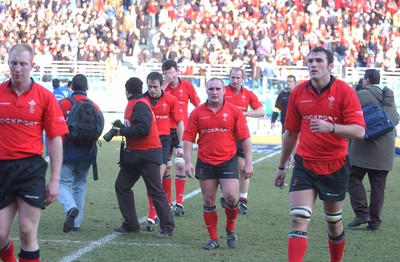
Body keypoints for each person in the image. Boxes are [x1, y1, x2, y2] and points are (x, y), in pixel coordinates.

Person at [273, 46, 366, 262]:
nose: (313, 65)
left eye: (318, 61)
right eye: (310, 61)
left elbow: (359, 131)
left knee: (333, 222)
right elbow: (291, 133)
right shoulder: (298, 92)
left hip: (335, 165)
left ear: (331, 66)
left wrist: (332, 127)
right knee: (299, 219)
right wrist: (281, 166)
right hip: (304, 164)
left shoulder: (344, 91)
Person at [0, 43, 68, 262]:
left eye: (23, 63)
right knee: (0, 234)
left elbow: (56, 139)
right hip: (2, 169)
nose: (18, 68)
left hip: (30, 169)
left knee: (27, 232)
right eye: (13, 63)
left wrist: (55, 181)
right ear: (8, 64)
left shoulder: (45, 97)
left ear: (32, 65)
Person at [183, 78, 254, 250]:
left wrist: (249, 163)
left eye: (218, 89)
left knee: (231, 196)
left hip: (228, 160)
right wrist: (188, 162)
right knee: (208, 200)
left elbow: (245, 138)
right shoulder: (197, 112)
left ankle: (230, 228)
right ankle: (213, 238)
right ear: (206, 91)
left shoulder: (234, 111)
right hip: (205, 161)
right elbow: (187, 138)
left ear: (224, 91)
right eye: (211, 89)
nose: (214, 92)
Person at [113, 77, 175, 238]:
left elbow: (144, 129)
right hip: (135, 153)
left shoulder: (139, 104)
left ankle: (167, 227)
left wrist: (123, 131)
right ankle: (131, 224)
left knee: (155, 190)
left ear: (127, 90)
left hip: (147, 153)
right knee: (122, 185)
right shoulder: (137, 102)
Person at [347, 69, 399, 231]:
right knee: (378, 187)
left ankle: (362, 212)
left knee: (352, 177)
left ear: (366, 80)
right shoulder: (388, 96)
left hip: (364, 147)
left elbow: (347, 114)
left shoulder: (361, 95)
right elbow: (395, 119)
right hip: (385, 150)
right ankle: (374, 223)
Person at [57, 74, 104, 233]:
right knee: (79, 186)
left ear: (71, 87)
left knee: (61, 183)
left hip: (68, 150)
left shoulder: (64, 103)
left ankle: (70, 208)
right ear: (87, 87)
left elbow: (55, 125)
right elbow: (100, 127)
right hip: (87, 152)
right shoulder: (95, 106)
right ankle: (76, 223)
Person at [220, 67, 265, 214]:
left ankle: (243, 200)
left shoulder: (248, 94)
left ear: (243, 79)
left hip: (240, 135)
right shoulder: (222, 90)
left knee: (243, 167)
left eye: (238, 78)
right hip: (223, 135)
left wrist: (245, 113)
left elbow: (261, 111)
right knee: (223, 165)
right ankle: (224, 193)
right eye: (232, 77)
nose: (235, 80)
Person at [143, 72, 184, 231]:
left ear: (161, 85)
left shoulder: (170, 99)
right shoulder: (142, 99)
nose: (152, 90)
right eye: (150, 86)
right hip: (144, 141)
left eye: (155, 87)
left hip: (162, 142)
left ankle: (152, 215)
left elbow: (180, 122)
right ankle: (162, 208)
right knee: (155, 177)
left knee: (156, 177)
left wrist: (180, 144)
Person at [161, 59, 201, 216]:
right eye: (165, 73)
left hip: (181, 131)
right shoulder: (162, 86)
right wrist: (165, 83)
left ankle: (179, 202)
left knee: (179, 165)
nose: (169, 75)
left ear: (176, 71)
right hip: (163, 131)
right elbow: (155, 99)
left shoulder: (187, 86)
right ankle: (167, 202)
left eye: (170, 72)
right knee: (166, 168)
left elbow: (198, 105)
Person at [271, 75, 297, 169]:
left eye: (290, 81)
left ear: (295, 82)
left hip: (297, 123)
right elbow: (277, 108)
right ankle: (288, 160)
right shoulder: (282, 94)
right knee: (285, 144)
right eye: (288, 81)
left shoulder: (299, 93)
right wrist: (273, 120)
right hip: (285, 123)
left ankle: (296, 162)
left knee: (295, 144)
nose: (289, 83)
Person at [43, 78, 72, 162]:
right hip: (63, 116)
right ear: (59, 84)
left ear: (52, 84)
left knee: (49, 135)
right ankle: (62, 154)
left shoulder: (50, 93)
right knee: (62, 134)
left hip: (53, 116)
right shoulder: (65, 91)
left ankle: (49, 155)